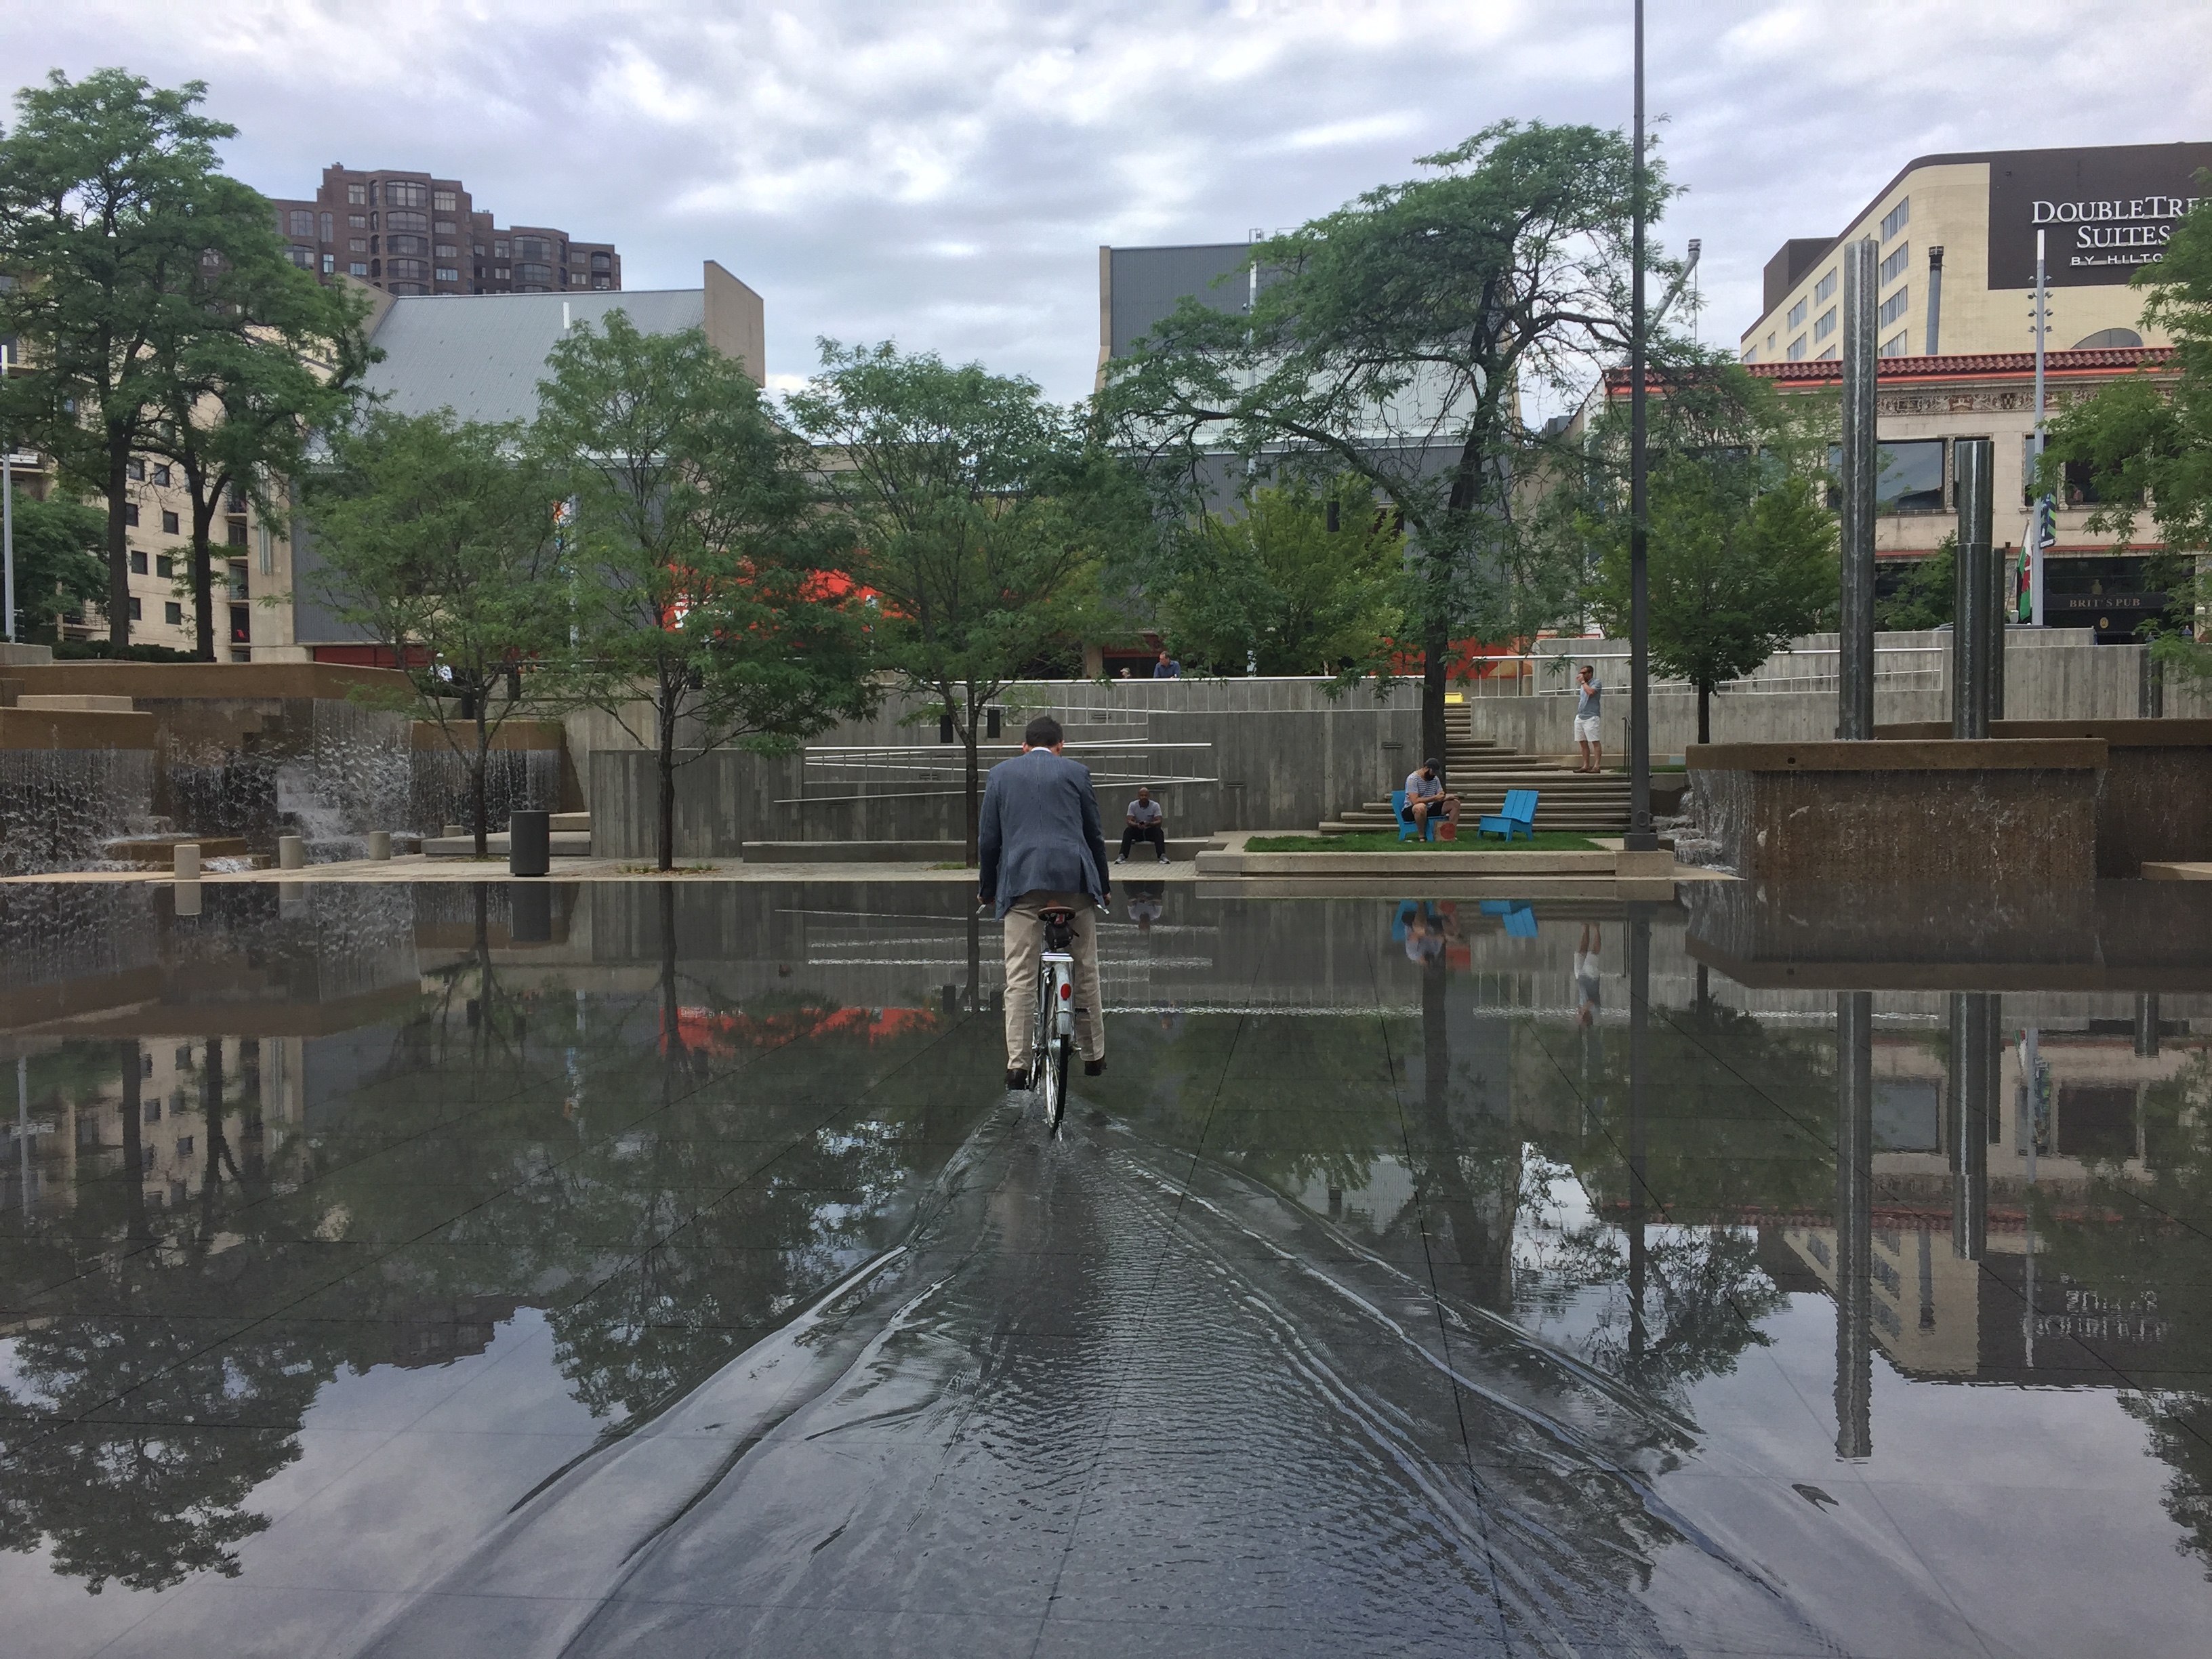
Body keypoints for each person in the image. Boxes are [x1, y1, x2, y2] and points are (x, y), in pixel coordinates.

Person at [979, 714, 1111, 1090]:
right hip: (1074, 881)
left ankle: (1018, 1065)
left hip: (1023, 884)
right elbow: (1094, 835)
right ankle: (1094, 1055)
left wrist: (988, 888)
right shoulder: (1076, 772)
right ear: (1060, 746)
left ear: (1023, 746)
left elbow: (989, 841)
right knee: (1085, 968)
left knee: (1020, 974)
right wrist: (1102, 885)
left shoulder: (1001, 775)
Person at [1404, 758, 1460, 834]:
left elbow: (1440, 793)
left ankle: (1450, 833)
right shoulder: (1412, 779)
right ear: (1426, 768)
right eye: (1432, 772)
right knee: (1421, 807)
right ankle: (1422, 835)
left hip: (1430, 807)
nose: (1433, 775)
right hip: (1412, 810)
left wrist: (1445, 797)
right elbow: (1414, 801)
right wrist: (1434, 798)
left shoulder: (1435, 779)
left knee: (1455, 803)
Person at [1115, 785, 1166, 863]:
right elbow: (1129, 821)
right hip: (1138, 831)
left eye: (1146, 795)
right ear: (1138, 796)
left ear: (1149, 796)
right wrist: (1137, 825)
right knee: (1128, 831)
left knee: (1158, 831)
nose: (1144, 797)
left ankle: (1162, 856)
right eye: (1142, 795)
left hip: (1149, 831)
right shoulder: (1133, 805)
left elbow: (1159, 821)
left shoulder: (1155, 806)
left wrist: (1149, 824)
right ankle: (1122, 856)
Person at [1574, 664, 1604, 774]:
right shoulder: (1583, 685)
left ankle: (1597, 765)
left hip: (1591, 716)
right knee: (1582, 741)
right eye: (1580, 673)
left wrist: (1583, 682)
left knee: (1594, 741)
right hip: (1581, 716)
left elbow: (1591, 693)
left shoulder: (1596, 683)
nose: (1581, 675)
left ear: (1590, 673)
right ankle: (1586, 765)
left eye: (1584, 673)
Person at [1574, 923, 1603, 1027]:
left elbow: (1582, 999)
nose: (1578, 1018)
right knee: (1593, 953)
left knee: (1581, 952)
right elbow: (1592, 1001)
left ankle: (1585, 929)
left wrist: (1580, 1009)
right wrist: (1583, 1010)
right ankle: (1596, 929)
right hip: (1591, 978)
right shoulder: (1595, 1012)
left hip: (1580, 978)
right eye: (1580, 1020)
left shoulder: (1582, 1010)